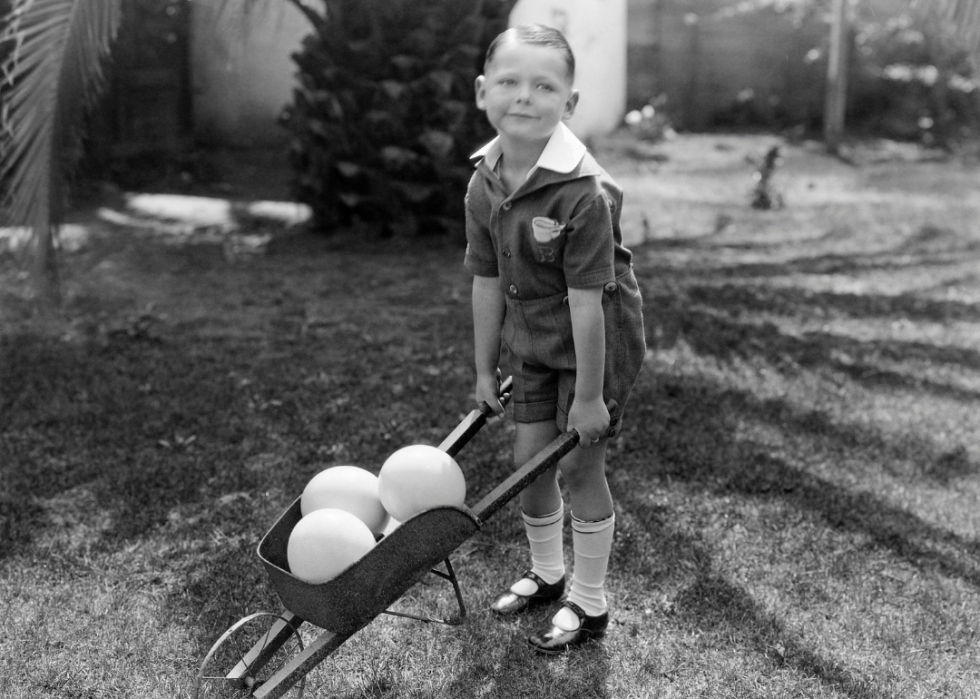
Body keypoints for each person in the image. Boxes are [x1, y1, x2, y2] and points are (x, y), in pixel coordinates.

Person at [464, 23, 646, 654]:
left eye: (544, 86)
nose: (524, 96)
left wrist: (590, 398)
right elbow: (487, 281)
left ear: (569, 104)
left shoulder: (583, 193)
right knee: (527, 464)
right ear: (483, 92)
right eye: (509, 82)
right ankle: (547, 575)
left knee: (576, 463)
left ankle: (590, 605)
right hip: (534, 337)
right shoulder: (483, 179)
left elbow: (589, 302)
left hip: (595, 340)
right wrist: (485, 372)